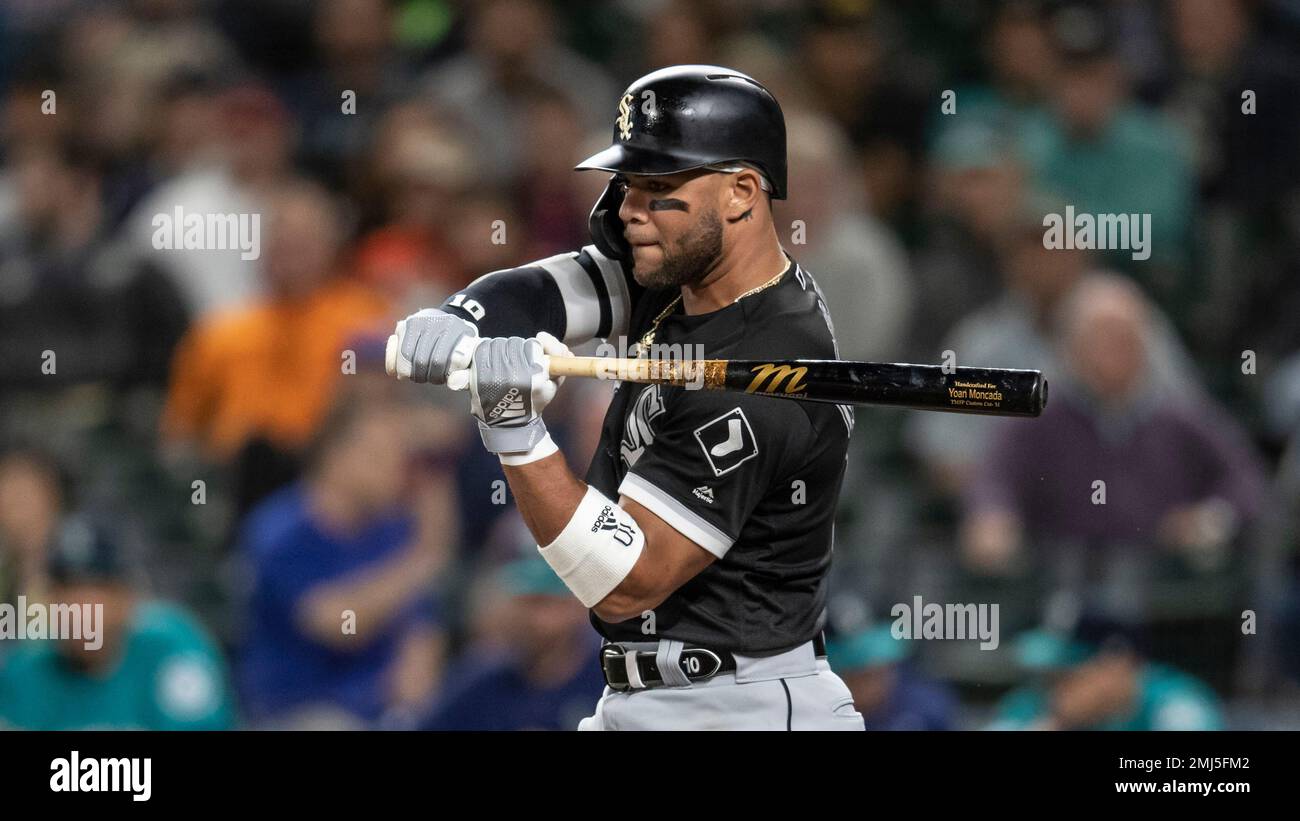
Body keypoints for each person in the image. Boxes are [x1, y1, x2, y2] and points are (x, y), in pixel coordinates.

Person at [390, 65, 863, 730]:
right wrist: (461, 317)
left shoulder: (763, 372)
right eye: (631, 182)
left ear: (741, 193)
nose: (631, 208)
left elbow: (627, 581)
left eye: (660, 186)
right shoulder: (687, 273)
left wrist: (516, 429)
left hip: (738, 706)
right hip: (650, 700)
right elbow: (548, 290)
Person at [235, 390, 454, 729]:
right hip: (295, 711)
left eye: (400, 457)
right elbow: (337, 624)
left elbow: (421, 632)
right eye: (378, 456)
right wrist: (420, 561)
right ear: (336, 454)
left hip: (382, 716)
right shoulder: (280, 528)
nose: (395, 469)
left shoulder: (393, 531)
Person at [0, 517, 235, 730]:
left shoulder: (172, 650)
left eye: (97, 589)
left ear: (127, 598)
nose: (80, 607)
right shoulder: (24, 671)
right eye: (67, 590)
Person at [421, 555, 605, 731]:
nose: (525, 617)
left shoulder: (608, 679)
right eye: (520, 602)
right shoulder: (483, 680)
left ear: (577, 608)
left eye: (541, 603)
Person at [989, 614, 1224, 731]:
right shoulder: (1034, 702)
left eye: (1067, 676)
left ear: (1115, 664)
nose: (1055, 689)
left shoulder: (1175, 704)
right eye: (1050, 678)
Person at [826, 624, 957, 731]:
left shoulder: (927, 705)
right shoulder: (822, 716)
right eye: (856, 677)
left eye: (877, 672)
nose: (870, 686)